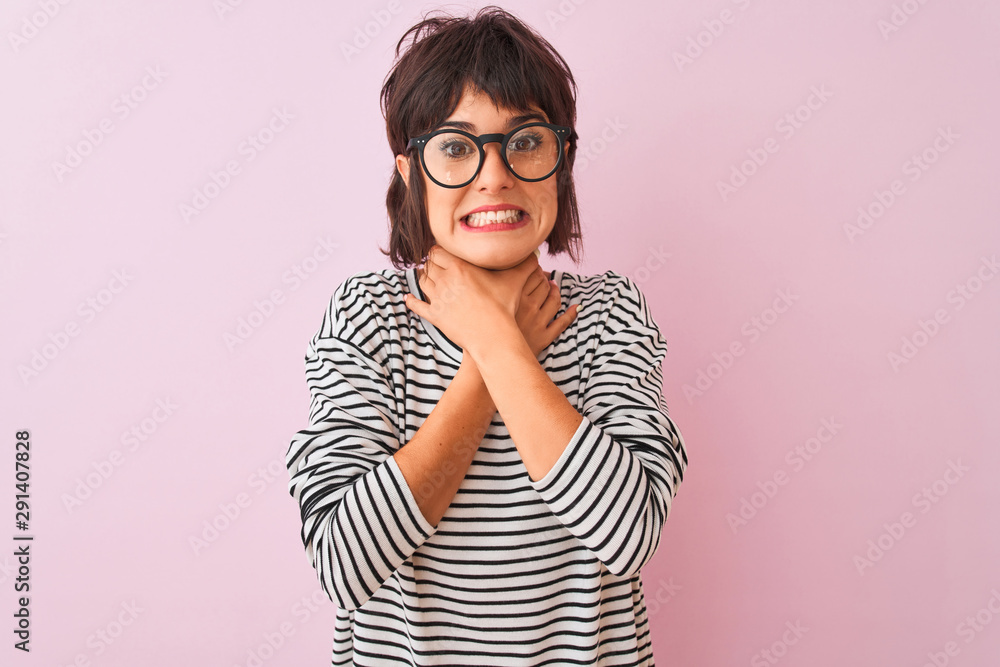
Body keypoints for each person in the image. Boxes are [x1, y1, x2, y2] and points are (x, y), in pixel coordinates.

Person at [286, 6, 689, 665]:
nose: (495, 175)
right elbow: (344, 563)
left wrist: (498, 344)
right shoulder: (366, 318)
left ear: (562, 159)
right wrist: (488, 353)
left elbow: (628, 533)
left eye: (526, 140)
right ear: (410, 172)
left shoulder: (612, 314)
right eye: (455, 146)